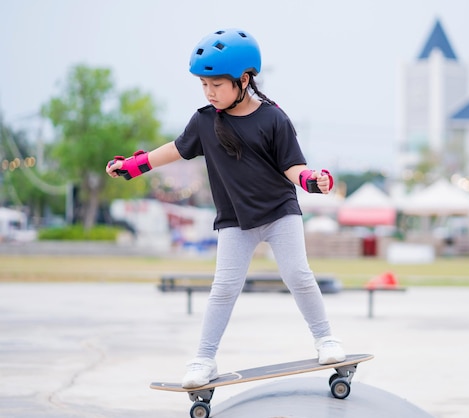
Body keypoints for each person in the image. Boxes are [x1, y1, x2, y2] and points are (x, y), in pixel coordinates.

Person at [105, 28, 346, 388]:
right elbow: (174, 148)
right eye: (204, 85)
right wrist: (134, 166)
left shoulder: (273, 119)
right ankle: (203, 360)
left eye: (216, 84)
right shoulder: (204, 120)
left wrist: (312, 180)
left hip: (280, 212)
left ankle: (326, 338)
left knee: (298, 275)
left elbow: (292, 166)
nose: (209, 92)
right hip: (235, 219)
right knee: (224, 288)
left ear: (244, 79)